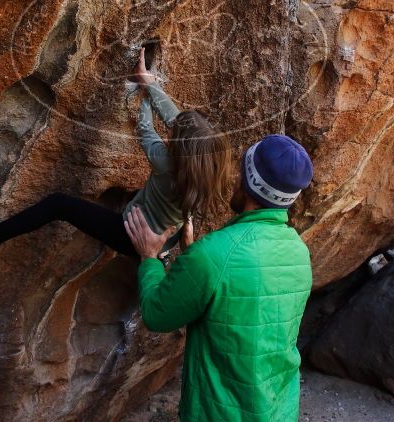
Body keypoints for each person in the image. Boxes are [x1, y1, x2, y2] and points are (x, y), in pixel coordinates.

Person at [0, 47, 232, 260]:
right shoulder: (209, 169)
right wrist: (149, 83)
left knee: (58, 205)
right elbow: (181, 126)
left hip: (130, 235)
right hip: (164, 239)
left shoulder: (164, 163)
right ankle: (160, 254)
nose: (171, 129)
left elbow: (145, 127)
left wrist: (145, 93)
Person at [125, 134, 314, 421]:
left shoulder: (213, 255)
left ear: (248, 184)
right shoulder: (298, 251)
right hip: (279, 408)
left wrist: (149, 258)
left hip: (219, 413)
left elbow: (156, 314)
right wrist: (192, 257)